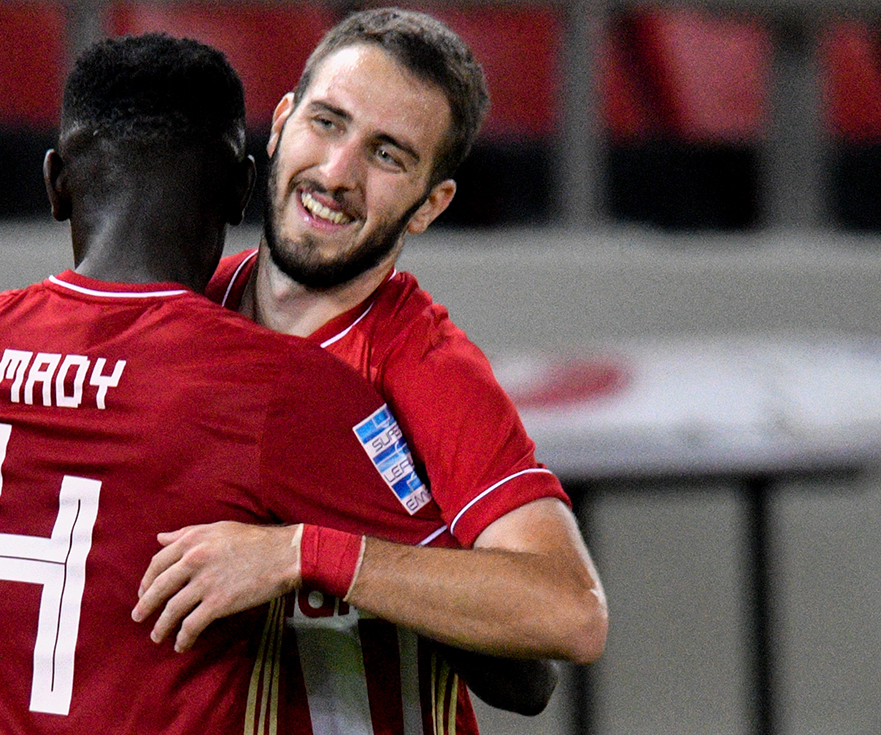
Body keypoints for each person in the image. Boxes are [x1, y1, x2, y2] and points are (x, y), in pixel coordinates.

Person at [0, 33, 480, 734]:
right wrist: (305, 554)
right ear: (242, 190)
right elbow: (515, 667)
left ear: (56, 183)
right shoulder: (278, 386)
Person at [133, 8, 609, 734]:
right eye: (326, 123)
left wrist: (302, 552)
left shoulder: (426, 365)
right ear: (281, 123)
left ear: (429, 206)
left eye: (388, 155)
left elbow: (570, 612)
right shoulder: (181, 311)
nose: (337, 174)